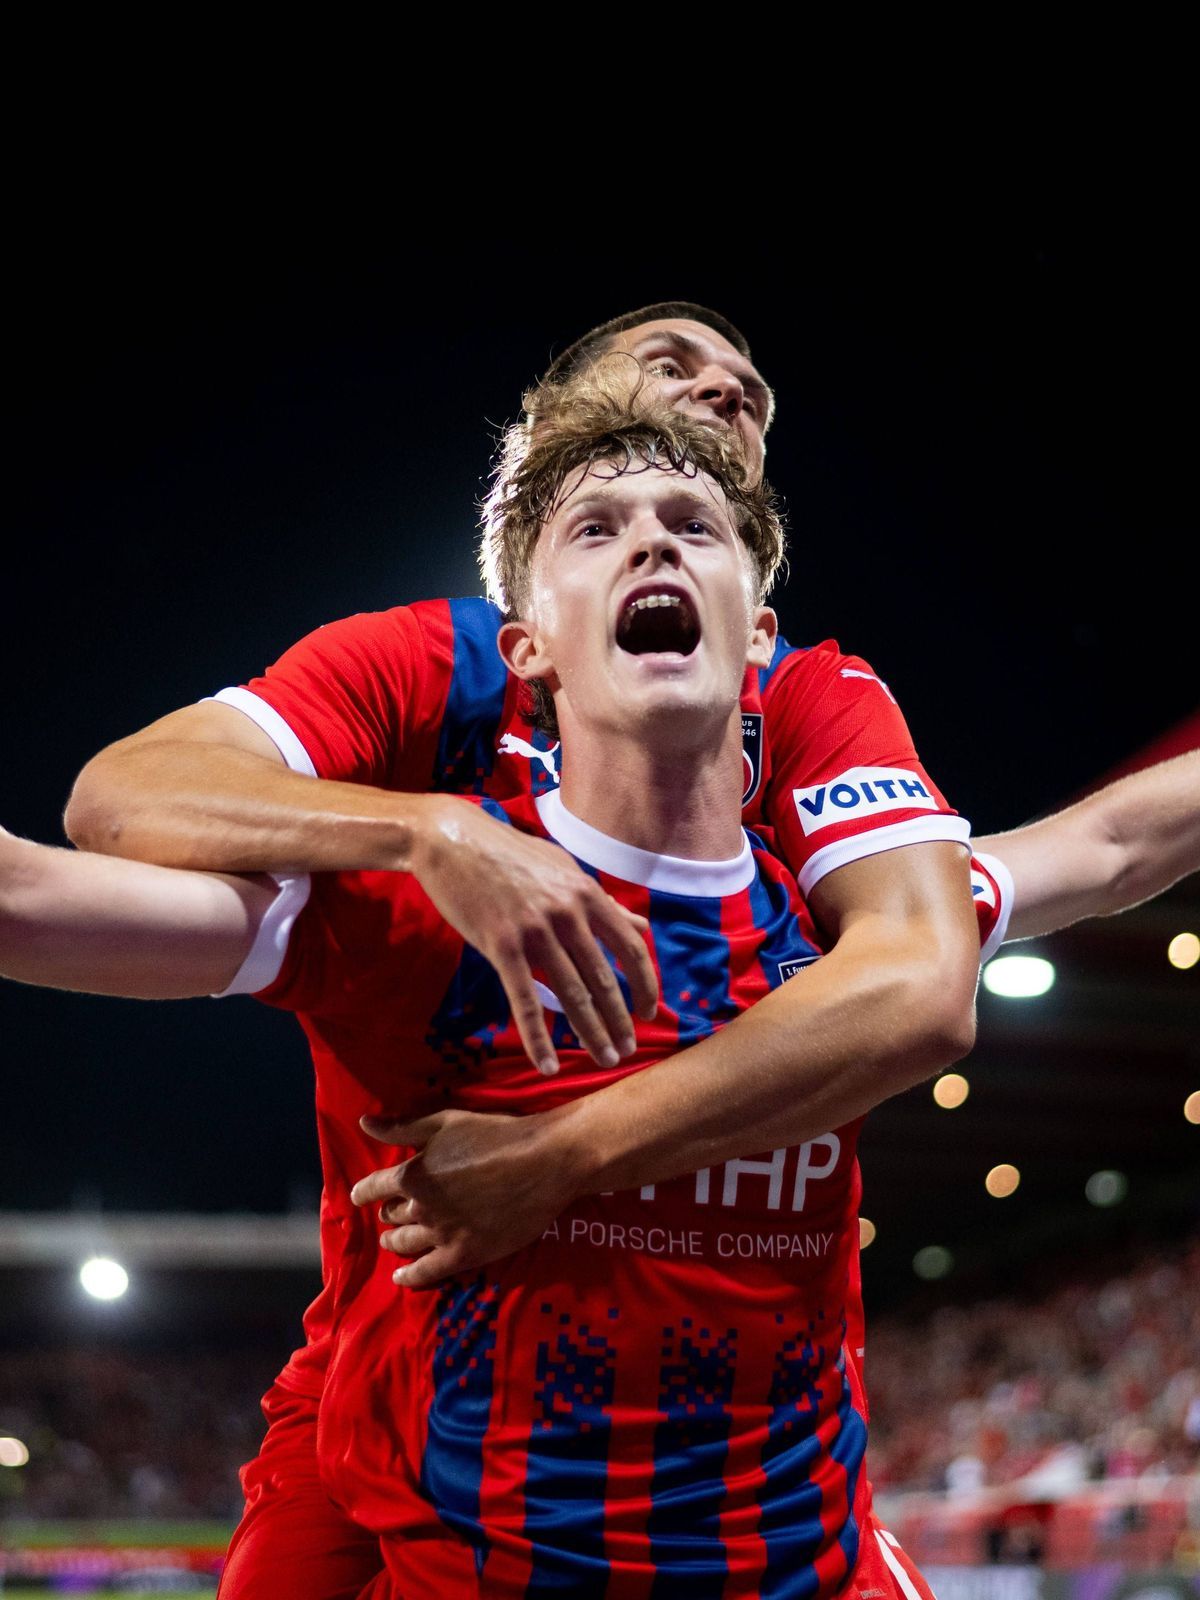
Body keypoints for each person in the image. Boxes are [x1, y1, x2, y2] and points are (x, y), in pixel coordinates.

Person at [4, 389, 1197, 1594]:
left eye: (694, 520)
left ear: (761, 639)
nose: (653, 539)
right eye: (596, 526)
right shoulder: (423, 902)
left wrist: (555, 1158)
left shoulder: (839, 932)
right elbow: (44, 899)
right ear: (527, 649)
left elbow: (1111, 845)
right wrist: (414, 836)